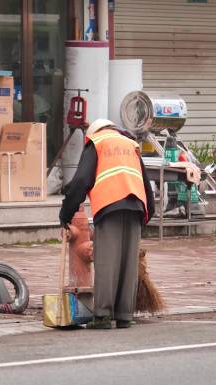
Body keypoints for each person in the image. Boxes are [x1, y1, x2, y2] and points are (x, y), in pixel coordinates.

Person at [59, 119, 155, 329]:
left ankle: (102, 315)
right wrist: (148, 214)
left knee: (106, 261)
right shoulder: (130, 144)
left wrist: (66, 213)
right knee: (128, 262)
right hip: (137, 206)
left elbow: (81, 181)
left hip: (110, 205)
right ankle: (124, 315)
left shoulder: (96, 141)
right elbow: (146, 182)